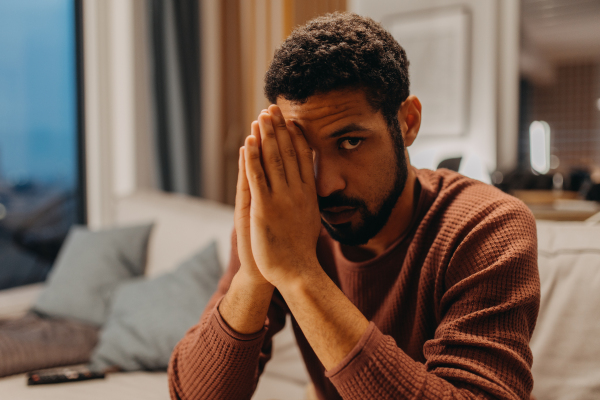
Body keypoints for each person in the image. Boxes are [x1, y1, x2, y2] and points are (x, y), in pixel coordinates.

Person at [168, 12, 540, 400]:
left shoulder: (489, 225)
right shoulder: (285, 222)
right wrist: (255, 274)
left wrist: (299, 273)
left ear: (408, 122)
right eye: (304, 151)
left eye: (350, 142)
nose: (325, 184)